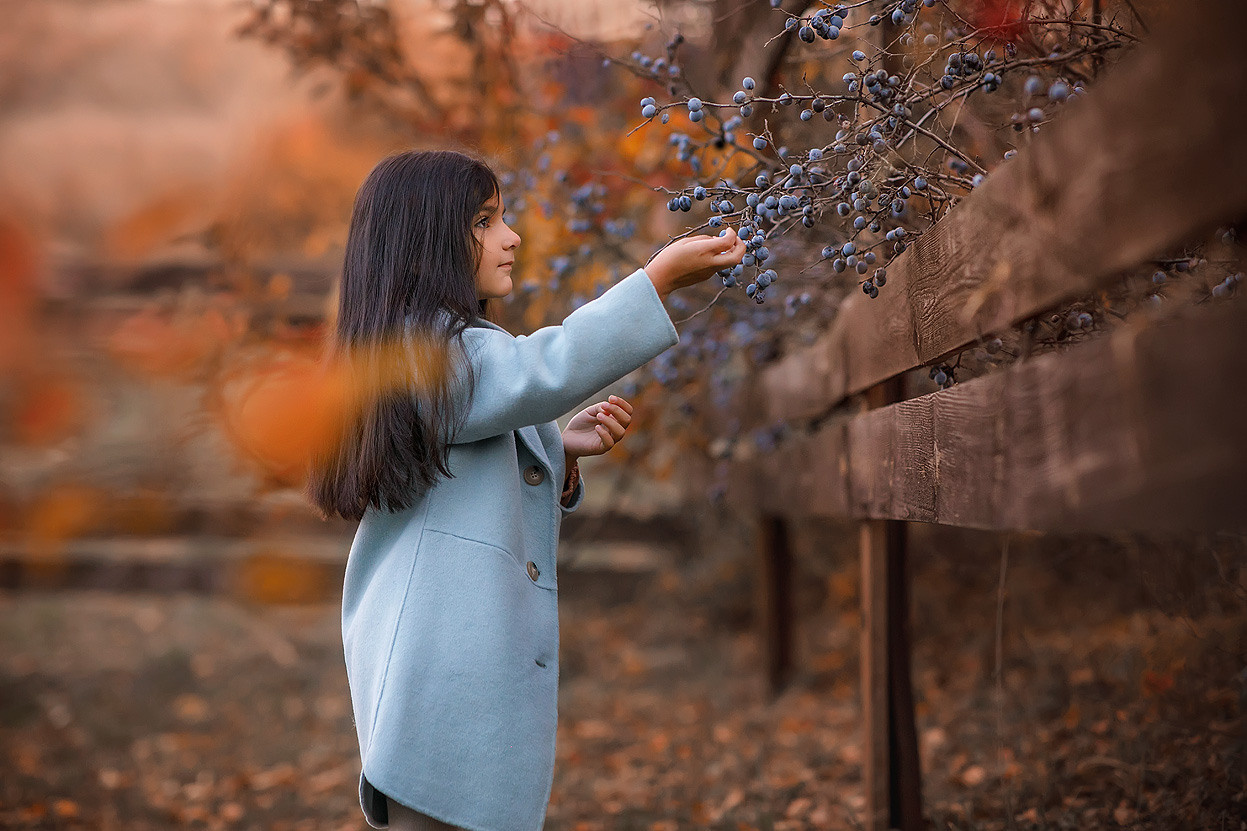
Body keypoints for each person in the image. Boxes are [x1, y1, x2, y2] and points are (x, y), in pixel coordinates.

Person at [307, 149, 744, 831]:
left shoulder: (424, 354)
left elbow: (475, 436)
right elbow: (542, 368)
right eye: (486, 221)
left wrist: (551, 446)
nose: (510, 237)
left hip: (437, 684)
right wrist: (654, 282)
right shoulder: (429, 352)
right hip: (439, 694)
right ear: (426, 244)